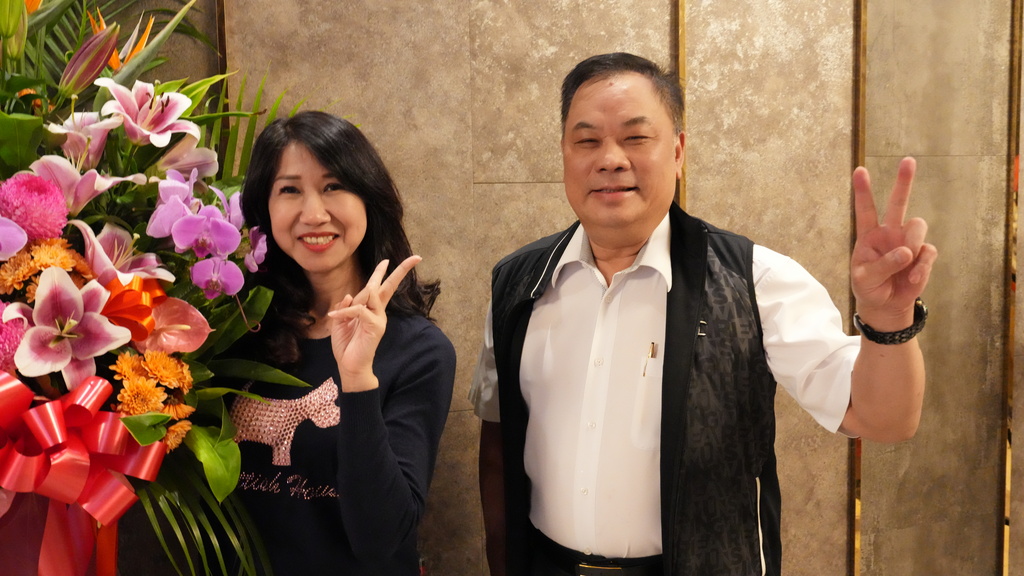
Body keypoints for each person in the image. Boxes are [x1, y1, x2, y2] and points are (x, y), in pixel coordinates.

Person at [471, 53, 936, 576]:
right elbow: (498, 442)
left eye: (635, 137)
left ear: (678, 151)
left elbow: (884, 419)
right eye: (587, 141)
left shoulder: (754, 279)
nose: (610, 159)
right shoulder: (518, 283)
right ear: (564, 153)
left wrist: (889, 319)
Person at [231, 111, 456, 575]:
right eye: (290, 190)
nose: (314, 214)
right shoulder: (233, 331)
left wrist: (356, 379)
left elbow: (381, 539)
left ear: (368, 198)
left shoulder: (420, 351)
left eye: (333, 186)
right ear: (264, 208)